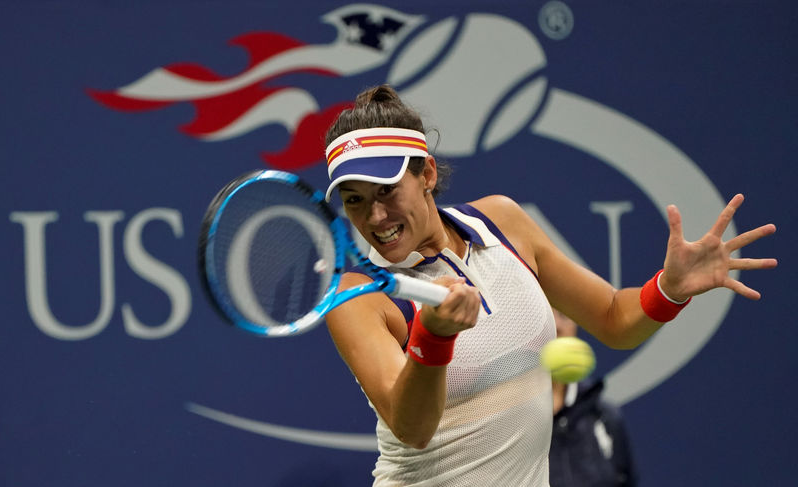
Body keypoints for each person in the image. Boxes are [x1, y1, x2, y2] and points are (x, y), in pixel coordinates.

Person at [322, 84, 777, 486]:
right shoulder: (358, 294)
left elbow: (615, 319)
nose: (375, 216)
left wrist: (671, 288)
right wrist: (434, 336)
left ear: (427, 174)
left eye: (386, 190)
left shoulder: (503, 221)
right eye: (355, 200)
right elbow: (414, 429)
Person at [548, 309, 637, 487]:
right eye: (546, 317)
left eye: (564, 315)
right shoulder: (508, 418)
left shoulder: (604, 416)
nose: (557, 326)